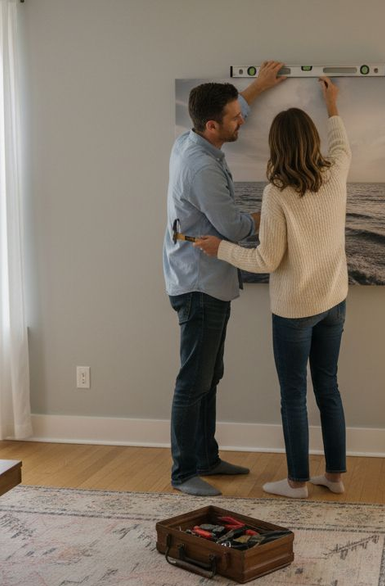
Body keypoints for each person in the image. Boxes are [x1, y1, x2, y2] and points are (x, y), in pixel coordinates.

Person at [194, 76, 350, 499]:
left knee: (294, 396)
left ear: (276, 146)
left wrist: (220, 248)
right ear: (311, 139)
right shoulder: (335, 172)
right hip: (334, 301)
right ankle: (334, 477)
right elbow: (341, 144)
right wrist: (331, 103)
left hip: (295, 311)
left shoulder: (276, 193)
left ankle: (297, 481)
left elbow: (266, 260)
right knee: (329, 388)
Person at [163, 61, 286, 496]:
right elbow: (234, 228)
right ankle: (183, 472)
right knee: (194, 380)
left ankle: (206, 457)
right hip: (200, 283)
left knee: (209, 376)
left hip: (203, 278)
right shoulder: (202, 168)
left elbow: (234, 111)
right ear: (213, 125)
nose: (243, 122)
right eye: (235, 118)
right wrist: (277, 213)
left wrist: (256, 88)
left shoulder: (193, 139)